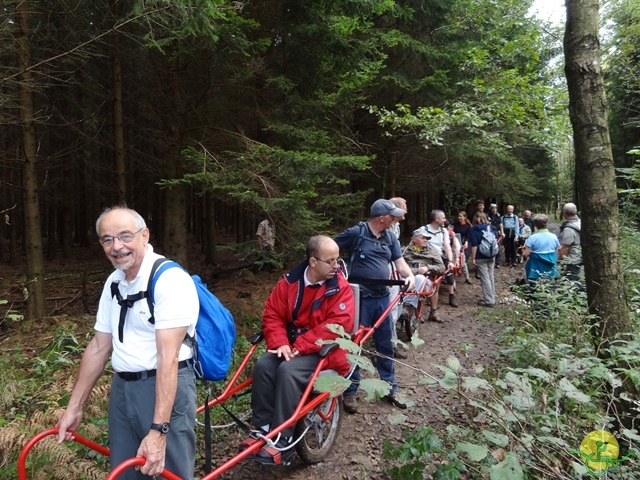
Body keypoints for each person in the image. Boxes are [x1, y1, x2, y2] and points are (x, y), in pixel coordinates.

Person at [56, 207, 199, 480]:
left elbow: (167, 357)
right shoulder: (114, 282)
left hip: (164, 387)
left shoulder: (169, 280)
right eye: (107, 239)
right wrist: (74, 408)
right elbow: (99, 347)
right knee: (124, 473)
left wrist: (159, 430)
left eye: (124, 236)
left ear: (144, 235)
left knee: (170, 473)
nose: (116, 247)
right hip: (122, 390)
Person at [246, 235, 355, 464]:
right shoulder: (289, 283)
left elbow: (338, 326)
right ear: (313, 262)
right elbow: (272, 314)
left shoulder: (340, 288)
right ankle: (263, 426)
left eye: (337, 259)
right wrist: (280, 343)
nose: (337, 266)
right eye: (331, 261)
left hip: (326, 350)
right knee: (265, 364)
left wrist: (300, 346)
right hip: (294, 345)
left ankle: (283, 439)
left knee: (288, 371)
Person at [334, 198, 416, 413]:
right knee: (355, 344)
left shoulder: (390, 237)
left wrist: (409, 277)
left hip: (382, 297)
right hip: (359, 298)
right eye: (393, 215)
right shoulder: (356, 233)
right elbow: (329, 248)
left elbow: (399, 262)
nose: (396, 218)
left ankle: (390, 387)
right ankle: (350, 391)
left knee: (385, 343)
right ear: (382, 217)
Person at [400, 227, 446, 323]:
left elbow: (442, 268)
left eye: (427, 238)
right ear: (413, 239)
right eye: (423, 238)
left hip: (424, 278)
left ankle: (408, 306)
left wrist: (428, 268)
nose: (425, 240)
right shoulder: (405, 250)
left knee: (419, 279)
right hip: (405, 276)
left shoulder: (432, 251)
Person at [387, 197, 408, 359]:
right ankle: (388, 346)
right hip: (386, 273)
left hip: (396, 270)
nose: (407, 210)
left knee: (397, 305)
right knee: (390, 308)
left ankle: (391, 344)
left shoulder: (396, 227)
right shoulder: (385, 228)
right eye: (405, 207)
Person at [424, 210, 458, 307]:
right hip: (427, 259)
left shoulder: (444, 231)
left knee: (445, 278)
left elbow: (447, 246)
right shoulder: (423, 230)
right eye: (443, 218)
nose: (445, 220)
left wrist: (450, 261)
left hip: (440, 257)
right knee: (427, 282)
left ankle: (451, 297)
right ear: (436, 219)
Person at [469, 212, 499, 307]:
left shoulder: (474, 229)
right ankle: (492, 297)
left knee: (485, 278)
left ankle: (489, 300)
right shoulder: (491, 227)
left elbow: (474, 245)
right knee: (490, 276)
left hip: (481, 255)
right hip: (491, 254)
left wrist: (473, 258)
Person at [523, 214, 561, 281]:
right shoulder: (553, 236)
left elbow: (526, 254)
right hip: (551, 265)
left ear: (535, 225)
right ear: (546, 223)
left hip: (535, 267)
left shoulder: (532, 237)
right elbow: (557, 251)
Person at [558, 202, 582, 281]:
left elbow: (565, 247)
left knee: (572, 281)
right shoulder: (581, 223)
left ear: (564, 213)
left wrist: (560, 261)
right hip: (582, 257)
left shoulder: (568, 229)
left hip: (572, 260)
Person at [453, 211, 473, 284]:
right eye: (458, 216)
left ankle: (467, 277)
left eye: (461, 216)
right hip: (455, 245)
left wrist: (466, 243)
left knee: (463, 260)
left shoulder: (468, 227)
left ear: (465, 217)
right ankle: (453, 278)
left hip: (463, 244)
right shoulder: (454, 225)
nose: (459, 218)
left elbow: (468, 236)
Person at [487, 203, 503, 269]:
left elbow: (500, 224)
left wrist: (502, 232)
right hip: (489, 233)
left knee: (498, 248)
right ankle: (489, 262)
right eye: (492, 208)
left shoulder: (498, 215)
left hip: (497, 233)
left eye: (495, 208)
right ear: (490, 209)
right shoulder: (487, 215)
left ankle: (498, 262)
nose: (494, 209)